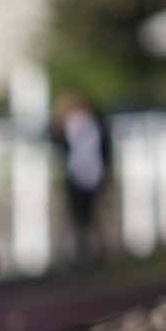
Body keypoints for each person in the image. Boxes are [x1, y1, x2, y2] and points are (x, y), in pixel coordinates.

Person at [50, 91, 110, 265]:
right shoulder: (94, 121)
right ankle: (95, 254)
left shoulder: (68, 123)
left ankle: (82, 254)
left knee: (78, 218)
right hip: (95, 172)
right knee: (93, 217)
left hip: (76, 174)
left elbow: (58, 144)